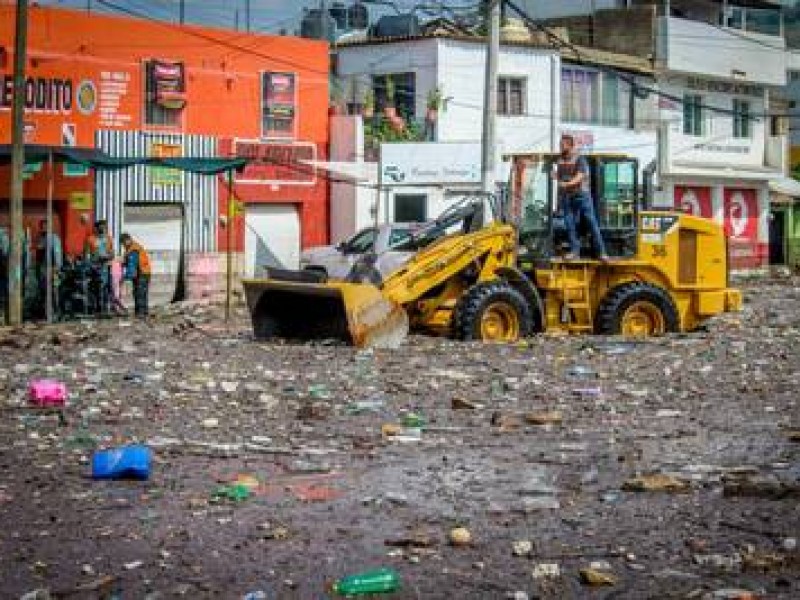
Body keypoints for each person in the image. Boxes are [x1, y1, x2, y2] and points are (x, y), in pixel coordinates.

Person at [554, 134, 608, 261]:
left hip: (582, 196)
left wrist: (566, 183)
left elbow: (579, 177)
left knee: (591, 222)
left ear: (570, 145)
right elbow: (560, 175)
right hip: (568, 196)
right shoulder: (560, 160)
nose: (560, 146)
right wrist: (555, 176)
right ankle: (574, 252)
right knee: (569, 223)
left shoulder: (580, 159)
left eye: (562, 144)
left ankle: (602, 252)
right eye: (560, 144)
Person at [34, 219, 64, 319]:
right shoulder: (42, 238)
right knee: (43, 292)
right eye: (42, 226)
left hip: (51, 269)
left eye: (45, 226)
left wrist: (56, 268)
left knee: (53, 291)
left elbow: (57, 254)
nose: (43, 228)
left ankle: (56, 312)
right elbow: (38, 253)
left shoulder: (54, 238)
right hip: (42, 269)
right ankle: (46, 313)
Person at [84, 220, 115, 313]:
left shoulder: (109, 239)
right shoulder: (91, 239)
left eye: (104, 227)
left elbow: (112, 253)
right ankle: (96, 308)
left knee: (107, 287)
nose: (103, 229)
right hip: (95, 267)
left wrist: (108, 257)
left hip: (106, 266)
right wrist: (91, 264)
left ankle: (105, 308)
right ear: (96, 228)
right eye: (101, 227)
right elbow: (87, 254)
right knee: (95, 288)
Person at [120, 233, 151, 318]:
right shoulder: (132, 248)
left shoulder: (133, 249)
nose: (123, 245)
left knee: (139, 293)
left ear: (127, 240)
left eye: (123, 243)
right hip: (144, 272)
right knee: (141, 293)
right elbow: (129, 263)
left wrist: (125, 277)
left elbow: (132, 266)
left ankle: (140, 313)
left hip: (142, 273)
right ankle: (143, 312)